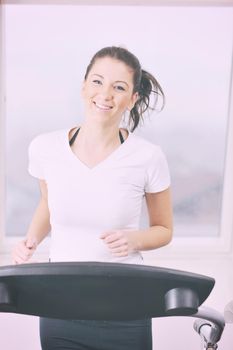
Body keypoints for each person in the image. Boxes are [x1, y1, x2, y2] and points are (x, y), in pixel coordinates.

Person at [12, 46, 173, 350]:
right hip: (59, 303)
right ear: (84, 85)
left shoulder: (148, 157)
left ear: (132, 98)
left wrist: (134, 240)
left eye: (119, 87)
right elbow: (49, 203)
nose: (106, 94)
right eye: (97, 81)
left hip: (126, 304)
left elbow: (164, 230)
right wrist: (30, 240)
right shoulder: (44, 148)